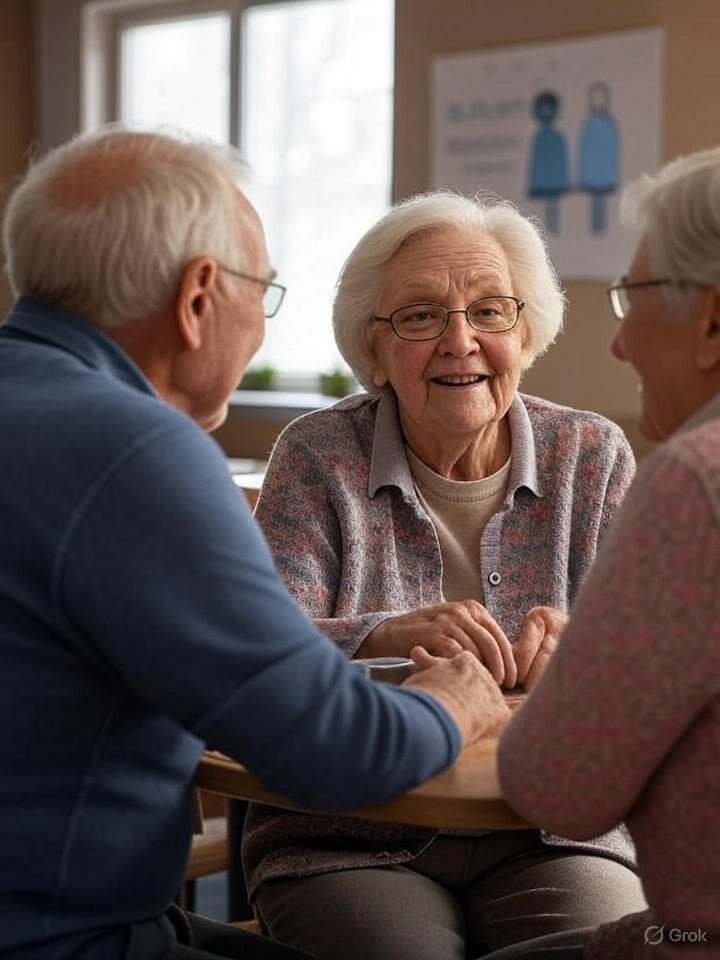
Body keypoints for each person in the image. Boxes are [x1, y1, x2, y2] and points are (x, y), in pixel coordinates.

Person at [0, 127, 510, 960]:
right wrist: (457, 698)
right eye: (261, 293)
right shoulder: (136, 451)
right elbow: (338, 748)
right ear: (200, 296)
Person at [242, 190, 646, 960]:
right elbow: (260, 651)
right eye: (422, 316)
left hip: (554, 828)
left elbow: (652, 668)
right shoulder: (317, 455)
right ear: (374, 347)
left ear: (526, 332)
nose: (461, 341)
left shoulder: (591, 456)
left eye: (490, 311)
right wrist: (380, 634)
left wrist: (586, 657)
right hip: (349, 831)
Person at [489, 147, 720, 959]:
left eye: (634, 298)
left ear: (713, 322)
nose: (617, 346)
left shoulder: (696, 482)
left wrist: (577, 672)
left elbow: (558, 786)